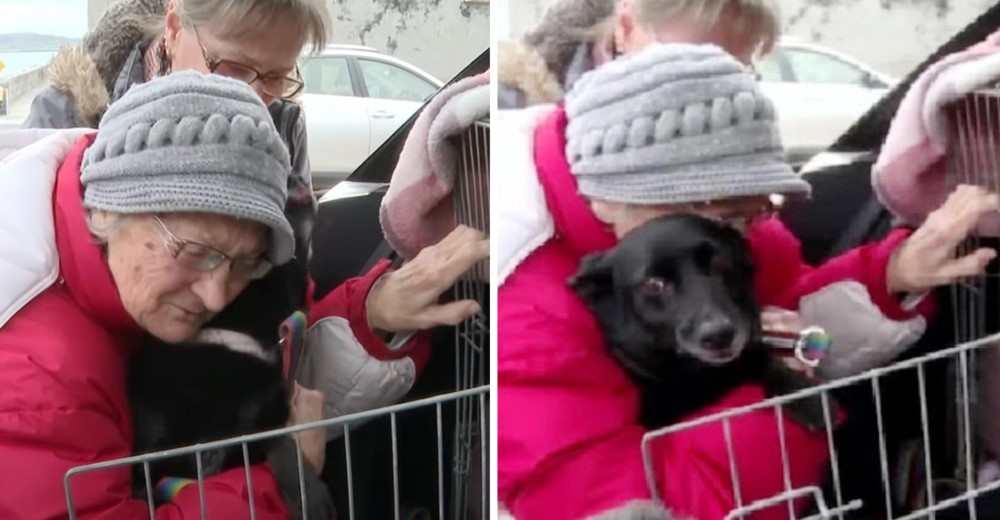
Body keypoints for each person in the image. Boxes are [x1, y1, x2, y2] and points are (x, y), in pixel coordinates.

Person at [495, 43, 999, 520]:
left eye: (749, 211)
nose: (739, 234)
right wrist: (790, 402)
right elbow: (630, 505)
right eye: (713, 211)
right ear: (606, 198)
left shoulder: (728, 236)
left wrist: (894, 275)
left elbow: (784, 317)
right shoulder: (528, 320)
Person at [24, 0, 489, 426]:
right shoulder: (66, 117)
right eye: (234, 67)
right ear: (173, 26)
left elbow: (278, 302)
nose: (256, 97)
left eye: (275, 77)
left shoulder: (281, 129)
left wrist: (368, 312)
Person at [0, 71, 345, 518]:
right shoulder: (38, 380)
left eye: (247, 264)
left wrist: (368, 314)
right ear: (109, 209)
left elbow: (282, 303)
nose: (217, 297)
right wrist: (277, 486)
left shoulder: (102, 196)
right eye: (196, 253)